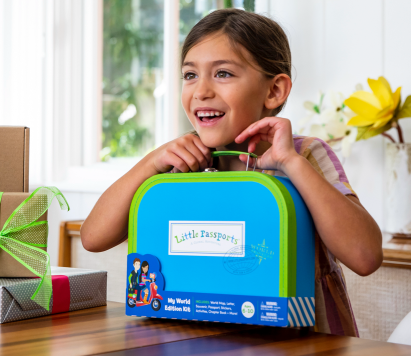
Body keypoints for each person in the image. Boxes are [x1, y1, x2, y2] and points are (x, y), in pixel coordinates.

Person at [81, 9, 382, 337]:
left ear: (274, 91)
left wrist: (291, 164)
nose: (201, 91)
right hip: (193, 337)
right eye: (190, 75)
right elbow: (93, 238)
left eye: (223, 73)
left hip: (302, 343)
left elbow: (365, 256)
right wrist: (151, 162)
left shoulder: (306, 154)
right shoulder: (178, 163)